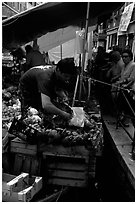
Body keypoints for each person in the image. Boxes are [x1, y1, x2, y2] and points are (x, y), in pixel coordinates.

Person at [114, 49, 135, 126]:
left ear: (130, 57)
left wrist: (124, 83)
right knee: (120, 105)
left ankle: (126, 122)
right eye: (122, 57)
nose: (124, 58)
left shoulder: (133, 65)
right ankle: (122, 120)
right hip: (122, 89)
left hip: (129, 90)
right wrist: (116, 79)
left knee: (128, 108)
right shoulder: (123, 65)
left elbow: (132, 78)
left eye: (126, 56)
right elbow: (122, 75)